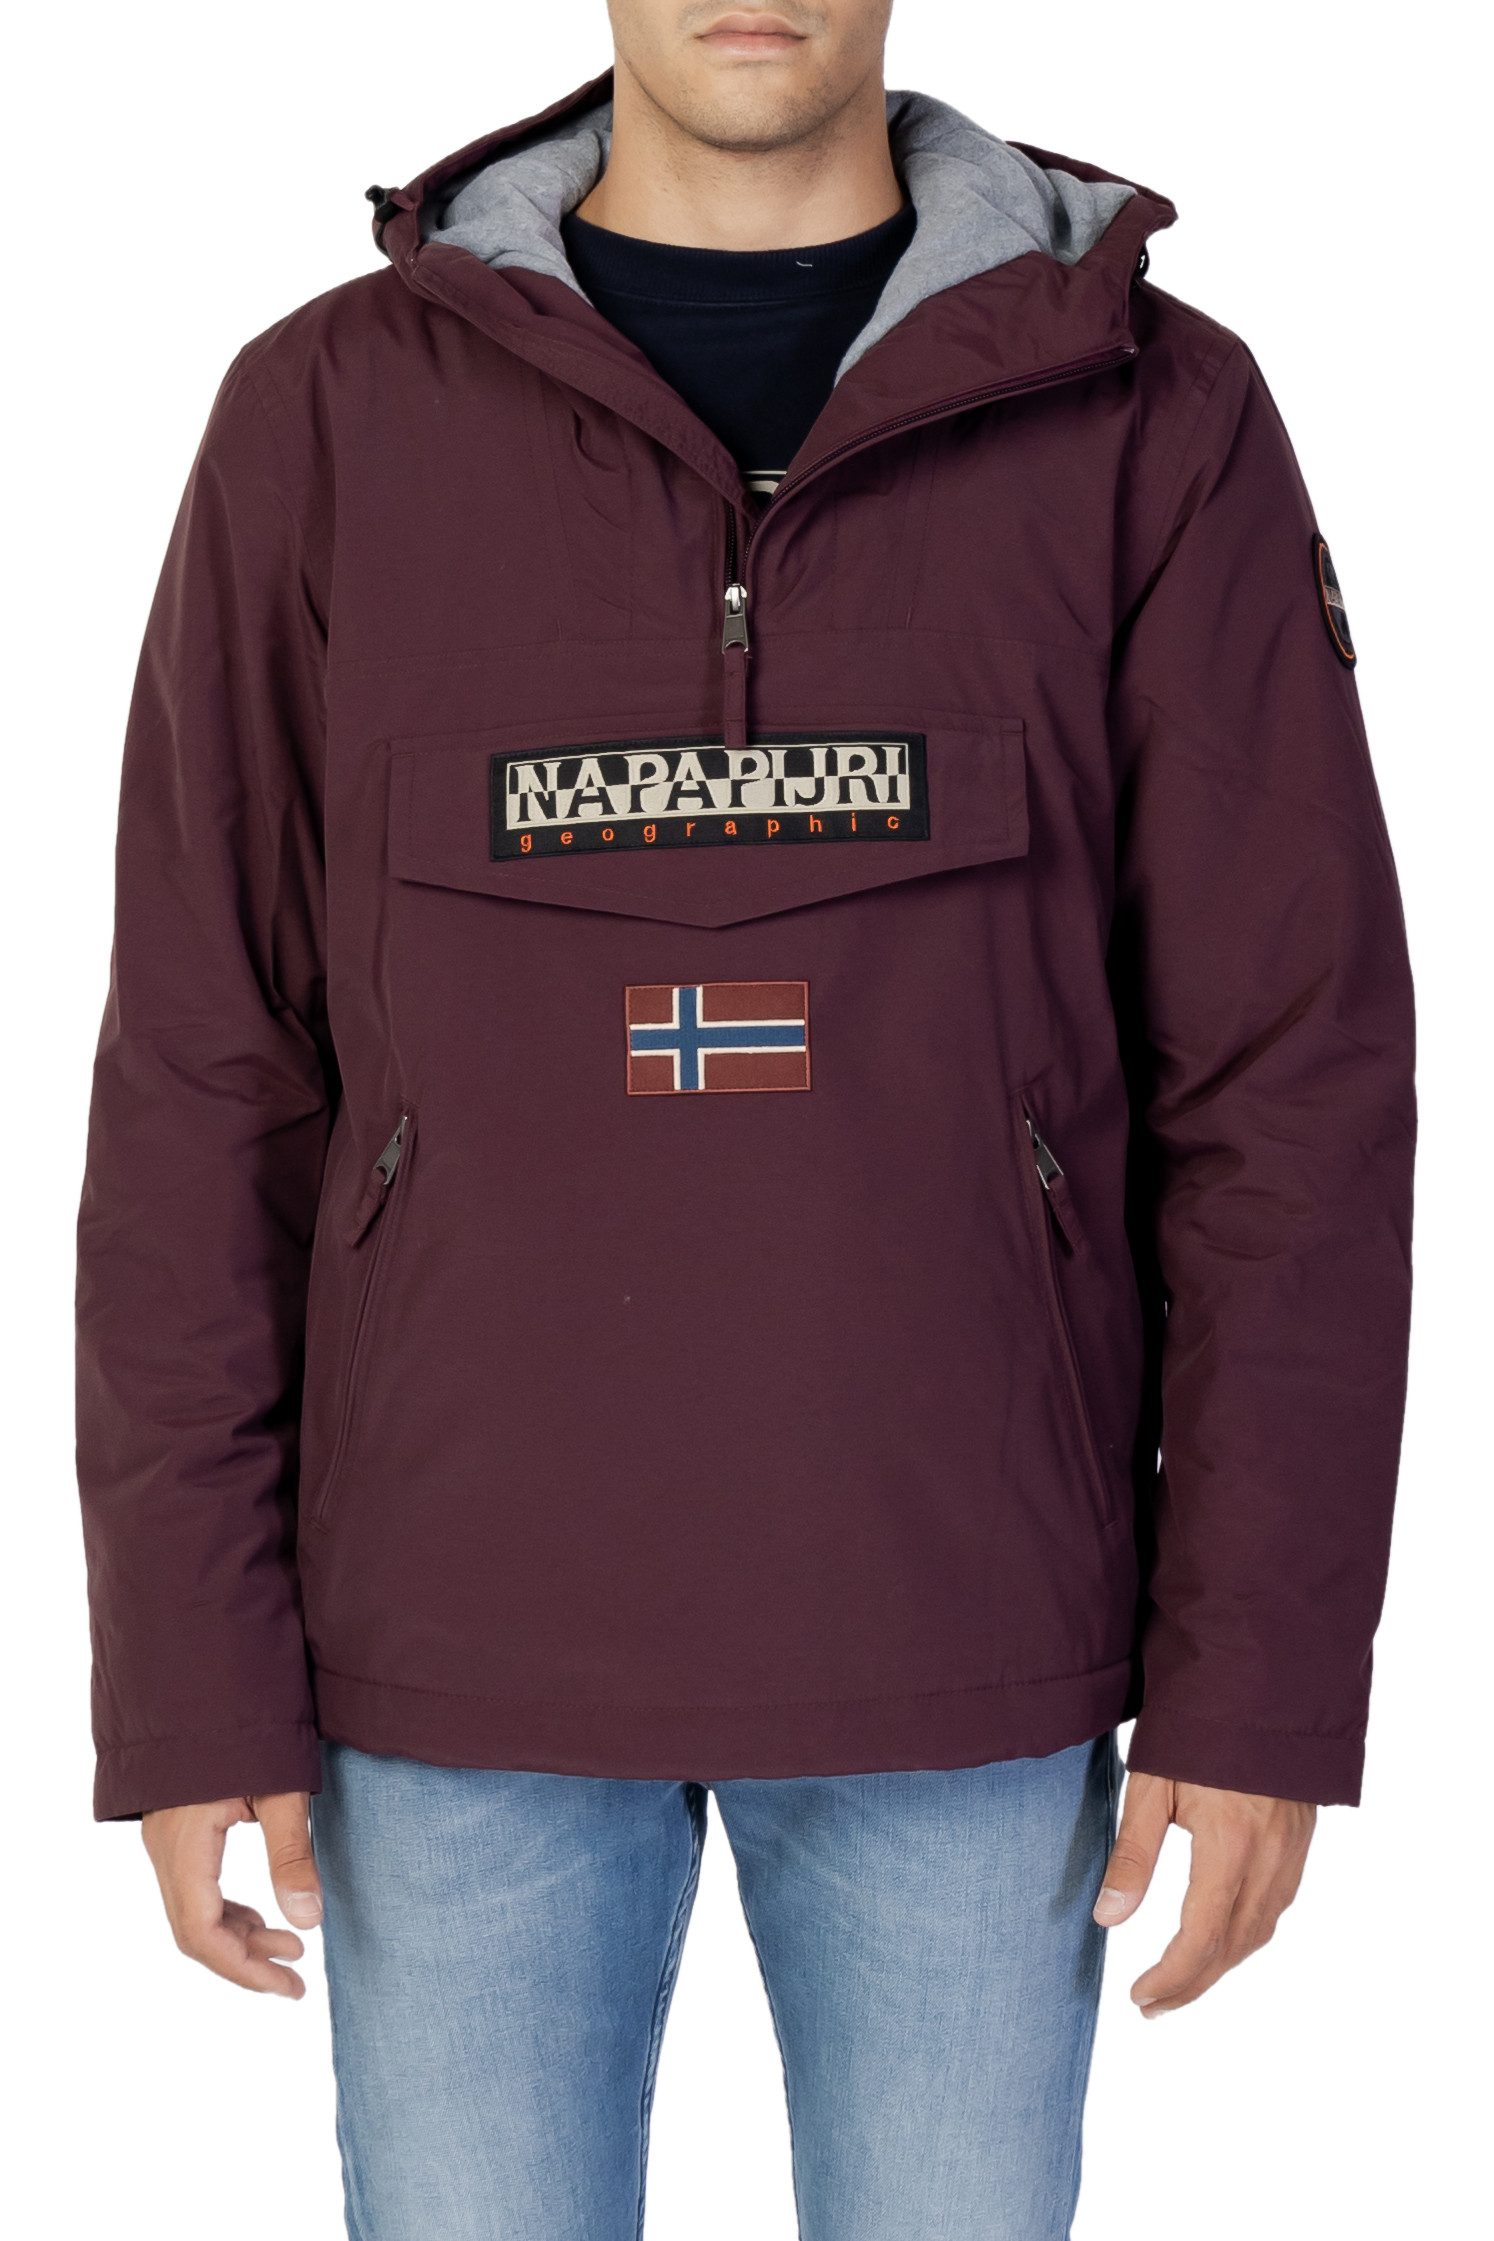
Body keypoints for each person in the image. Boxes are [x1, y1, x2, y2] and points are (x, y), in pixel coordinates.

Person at [76, 4, 1415, 2235]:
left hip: (966, 1624)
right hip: (453, 1639)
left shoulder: (1149, 410)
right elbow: (209, 1066)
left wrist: (1260, 1681)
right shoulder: (326, 412)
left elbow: (1291, 1084)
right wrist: (190, 1674)